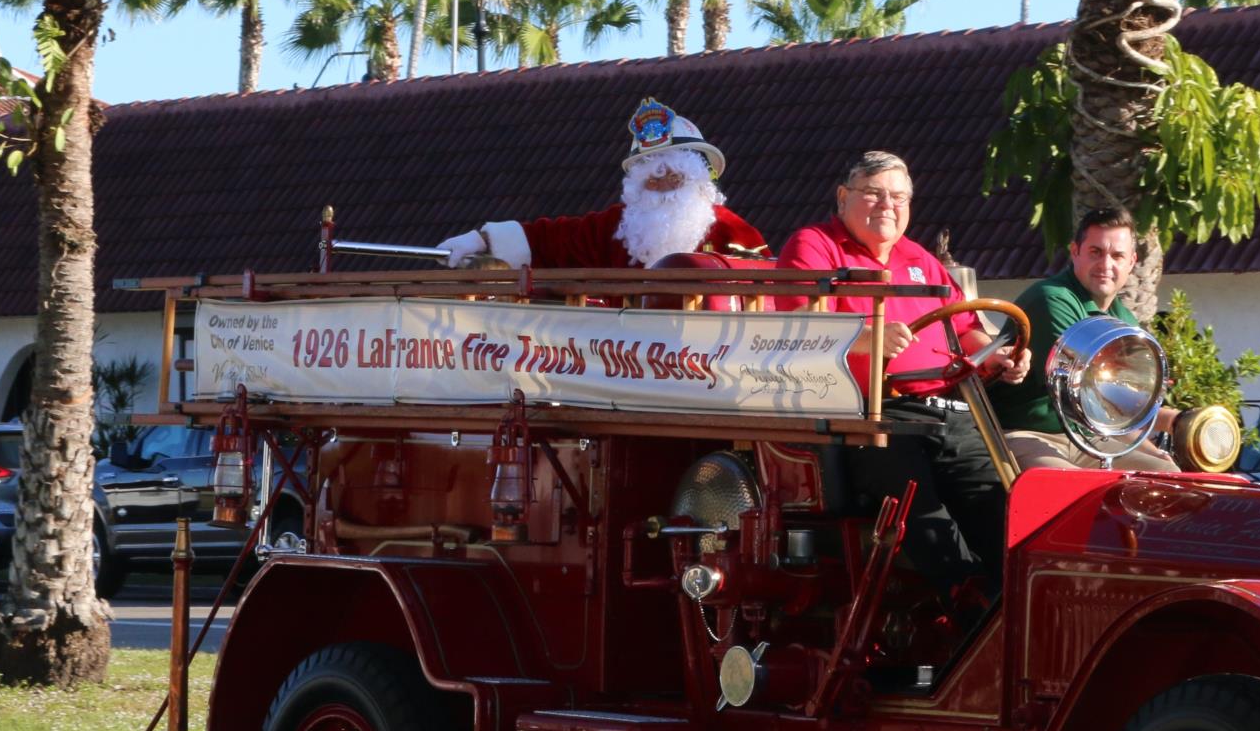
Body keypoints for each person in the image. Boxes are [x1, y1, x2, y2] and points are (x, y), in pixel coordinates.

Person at [775, 151, 1030, 599]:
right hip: (873, 411)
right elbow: (800, 329)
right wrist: (868, 338)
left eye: (897, 197)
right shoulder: (813, 246)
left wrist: (997, 355)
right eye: (872, 193)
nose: (886, 206)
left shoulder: (921, 260)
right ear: (842, 197)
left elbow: (967, 328)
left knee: (1005, 513)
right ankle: (968, 608)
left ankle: (1019, 604)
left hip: (949, 409)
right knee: (927, 519)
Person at [435, 96, 766, 269]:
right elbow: (552, 240)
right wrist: (481, 241)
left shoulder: (735, 234)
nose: (661, 185)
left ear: (694, 178)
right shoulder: (617, 227)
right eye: (651, 177)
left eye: (672, 175)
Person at [991, 206, 1179, 472]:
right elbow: (1088, 390)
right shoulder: (1052, 298)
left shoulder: (1123, 319)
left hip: (1088, 437)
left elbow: (1123, 411)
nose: (1106, 265)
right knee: (1071, 487)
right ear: (1075, 252)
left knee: (1166, 475)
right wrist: (1172, 420)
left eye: (1117, 256)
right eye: (1096, 252)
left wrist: (1155, 452)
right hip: (1027, 433)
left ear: (1132, 262)